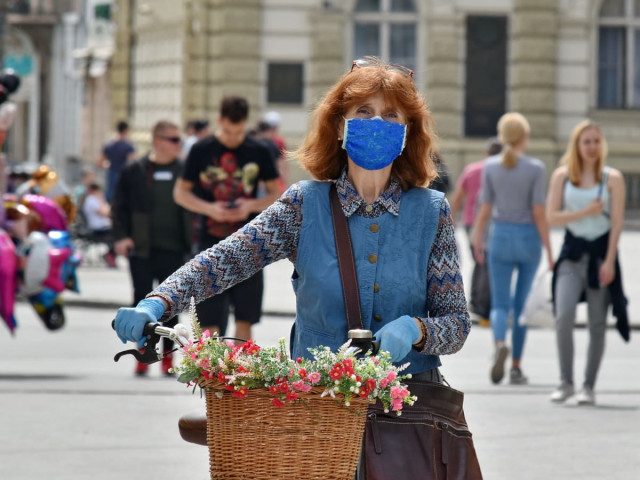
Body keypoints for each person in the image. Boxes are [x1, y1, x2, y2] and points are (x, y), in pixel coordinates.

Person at [114, 57, 481, 478]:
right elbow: (225, 259)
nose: (376, 123)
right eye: (363, 112)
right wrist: (157, 302)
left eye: (391, 115)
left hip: (408, 417)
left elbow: (455, 325)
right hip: (317, 416)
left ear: (406, 133)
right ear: (340, 125)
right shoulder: (304, 204)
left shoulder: (432, 211)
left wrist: (416, 330)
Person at [173, 95, 281, 341]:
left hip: (249, 244)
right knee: (209, 326)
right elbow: (180, 193)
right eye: (228, 132)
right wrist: (210, 209)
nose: (233, 139)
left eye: (239, 132)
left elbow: (276, 194)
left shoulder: (259, 150)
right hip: (209, 243)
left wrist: (249, 205)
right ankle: (213, 378)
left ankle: (240, 377)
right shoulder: (201, 149)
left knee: (245, 319)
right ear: (219, 120)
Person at [545, 120, 627, 406]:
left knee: (596, 323)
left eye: (596, 141)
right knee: (563, 315)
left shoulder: (612, 178)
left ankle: (588, 386)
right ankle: (566, 381)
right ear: (577, 146)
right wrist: (585, 213)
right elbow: (551, 217)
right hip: (571, 255)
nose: (591, 147)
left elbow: (616, 223)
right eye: (586, 142)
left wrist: (610, 261)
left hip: (600, 257)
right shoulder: (562, 176)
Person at [471, 112, 553, 385]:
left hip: (500, 236)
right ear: (524, 137)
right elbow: (539, 212)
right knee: (521, 307)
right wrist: (551, 250)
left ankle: (498, 344)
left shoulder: (491, 167)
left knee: (500, 303)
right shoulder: (536, 168)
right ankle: (516, 367)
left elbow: (485, 209)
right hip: (528, 238)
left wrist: (477, 238)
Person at [111, 120, 193, 376]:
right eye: (173, 140)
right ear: (157, 141)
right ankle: (143, 353)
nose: (178, 144)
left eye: (179, 140)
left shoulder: (184, 170)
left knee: (171, 305)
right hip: (142, 249)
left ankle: (168, 357)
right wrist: (121, 237)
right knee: (143, 303)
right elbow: (119, 206)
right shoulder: (135, 169)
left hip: (175, 248)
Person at [451, 138, 503, 324]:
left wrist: (451, 221)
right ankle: (481, 304)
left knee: (478, 261)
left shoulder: (472, 170)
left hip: (469, 223)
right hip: (491, 223)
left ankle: (475, 301)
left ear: (486, 153)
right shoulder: (501, 171)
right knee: (485, 263)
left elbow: (457, 197)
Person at [99, 120, 136, 204]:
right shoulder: (128, 146)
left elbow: (100, 162)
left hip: (111, 173)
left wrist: (107, 165)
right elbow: (132, 162)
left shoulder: (109, 145)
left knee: (109, 196)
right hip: (123, 175)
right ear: (126, 130)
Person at [82, 182, 117, 268]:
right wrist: (103, 201)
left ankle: (110, 254)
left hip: (103, 227)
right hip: (98, 229)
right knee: (118, 234)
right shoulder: (91, 200)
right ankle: (110, 254)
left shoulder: (94, 199)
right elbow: (106, 213)